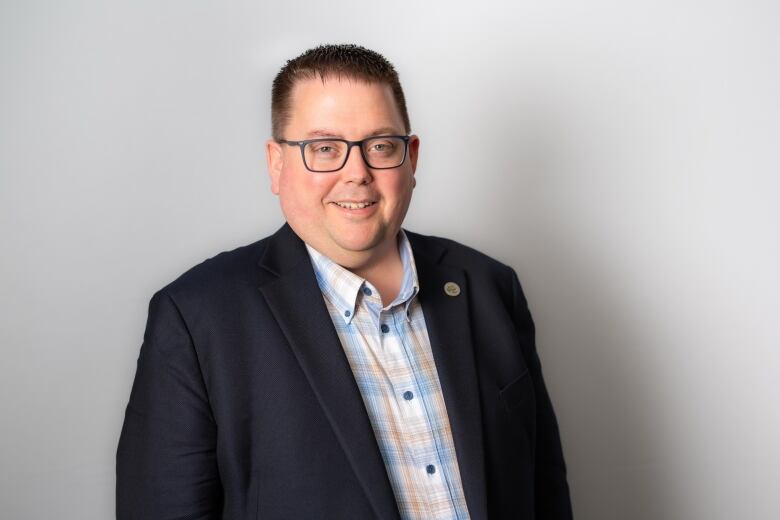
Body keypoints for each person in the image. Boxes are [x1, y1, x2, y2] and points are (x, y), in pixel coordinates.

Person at [117, 43, 573, 520]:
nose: (357, 173)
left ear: (411, 158)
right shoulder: (197, 317)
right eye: (325, 148)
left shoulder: (489, 287)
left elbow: (545, 492)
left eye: (379, 145)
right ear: (277, 164)